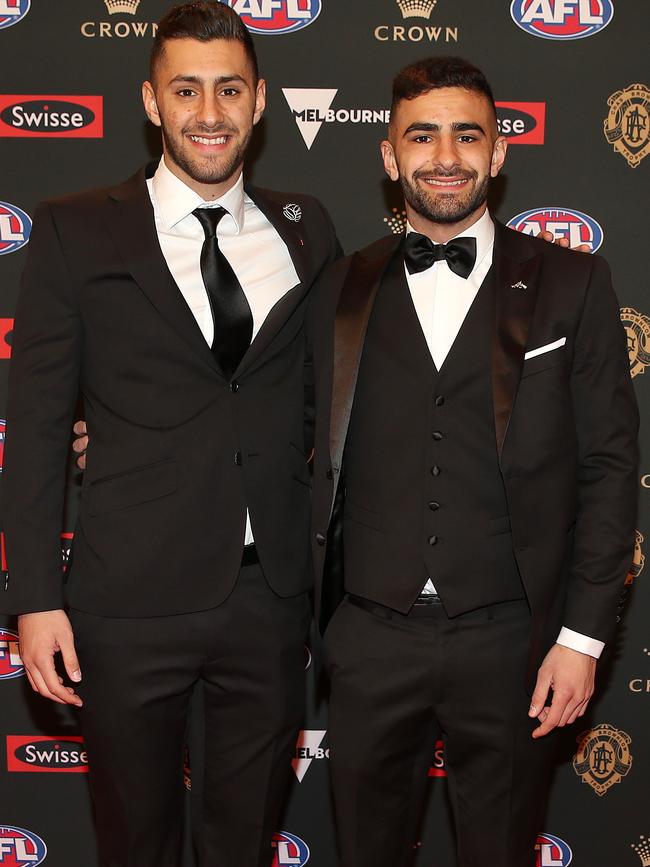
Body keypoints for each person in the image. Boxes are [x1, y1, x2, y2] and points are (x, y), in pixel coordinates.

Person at [1, 4, 339, 866]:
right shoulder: (76, 228)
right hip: (125, 602)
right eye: (186, 89)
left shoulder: (306, 230)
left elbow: (325, 400)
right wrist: (36, 599)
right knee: (134, 841)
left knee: (243, 841)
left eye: (229, 89)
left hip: (267, 600)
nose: (209, 112)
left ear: (261, 101)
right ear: (152, 101)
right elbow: (38, 428)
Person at [308, 56, 638, 867]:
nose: (445, 156)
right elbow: (273, 425)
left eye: (467, 136)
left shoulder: (572, 282)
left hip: (512, 641)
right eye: (422, 136)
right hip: (370, 635)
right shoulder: (340, 289)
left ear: (498, 154)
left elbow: (607, 468)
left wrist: (582, 640)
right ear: (389, 157)